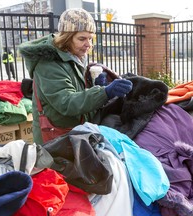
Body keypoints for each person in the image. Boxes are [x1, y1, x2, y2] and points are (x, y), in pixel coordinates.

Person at [18, 8, 133, 144]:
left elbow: (77, 91)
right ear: (66, 38)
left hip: (75, 132)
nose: (88, 44)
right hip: (55, 140)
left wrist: (95, 85)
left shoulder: (75, 55)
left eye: (90, 38)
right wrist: (104, 92)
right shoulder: (48, 64)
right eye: (82, 38)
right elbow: (66, 102)